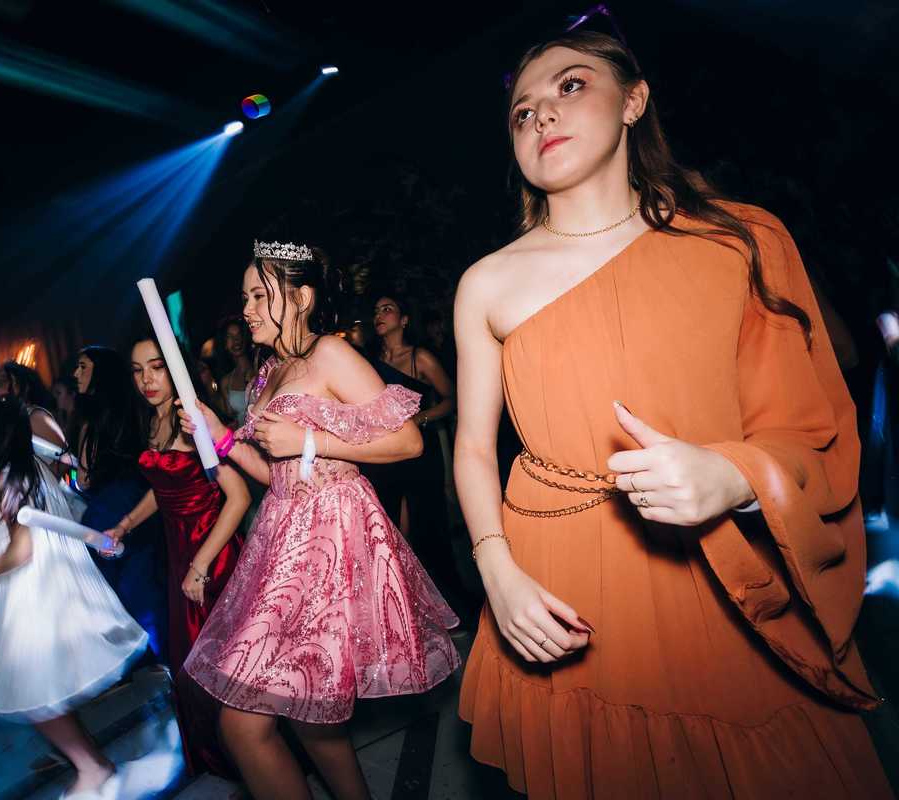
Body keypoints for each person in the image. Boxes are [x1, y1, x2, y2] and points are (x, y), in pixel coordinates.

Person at [453, 30, 891, 798]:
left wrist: (734, 477)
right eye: (521, 111)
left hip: (713, 571)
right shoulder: (486, 283)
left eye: (570, 86)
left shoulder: (737, 240)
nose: (541, 114)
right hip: (552, 574)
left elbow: (811, 427)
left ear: (634, 100)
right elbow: (474, 449)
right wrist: (498, 572)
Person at [179, 241, 459, 800]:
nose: (248, 310)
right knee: (308, 713)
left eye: (260, 296)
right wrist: (223, 437)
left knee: (247, 723)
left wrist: (309, 440)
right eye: (245, 298)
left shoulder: (330, 353)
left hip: (327, 536)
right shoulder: (268, 373)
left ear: (301, 298)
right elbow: (273, 473)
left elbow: (408, 441)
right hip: (281, 532)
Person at [0, 398, 146, 800]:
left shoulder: (9, 477)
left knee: (32, 694)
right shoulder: (32, 470)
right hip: (46, 585)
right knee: (42, 690)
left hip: (33, 591)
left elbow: (21, 550)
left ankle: (92, 767)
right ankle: (89, 761)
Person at [107, 334, 248, 776]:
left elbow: (239, 497)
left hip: (212, 553)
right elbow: (163, 486)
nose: (146, 380)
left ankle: (256, 762)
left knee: (224, 670)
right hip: (177, 552)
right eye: (137, 371)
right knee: (193, 668)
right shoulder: (154, 421)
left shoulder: (192, 420)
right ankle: (233, 761)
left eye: (156, 367)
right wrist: (125, 524)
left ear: (175, 368)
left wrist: (201, 566)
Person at [368, 291, 470, 621]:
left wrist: (420, 418)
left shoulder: (419, 357)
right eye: (376, 310)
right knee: (388, 528)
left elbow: (452, 398)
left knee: (429, 529)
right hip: (385, 453)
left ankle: (452, 606)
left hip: (420, 452)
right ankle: (401, 609)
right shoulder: (369, 363)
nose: (379, 315)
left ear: (404, 320)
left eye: (387, 309)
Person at [71, 346, 169, 662]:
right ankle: (161, 657)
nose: (75, 374)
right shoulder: (140, 412)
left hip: (108, 509)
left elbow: (84, 481)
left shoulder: (91, 420)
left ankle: (134, 658)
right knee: (145, 586)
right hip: (143, 502)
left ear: (100, 372)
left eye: (82, 367)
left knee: (113, 592)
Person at [213, 316, 255, 428]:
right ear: (224, 344)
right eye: (229, 337)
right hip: (243, 436)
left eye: (239, 334)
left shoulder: (261, 369)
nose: (236, 340)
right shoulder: (226, 382)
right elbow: (231, 417)